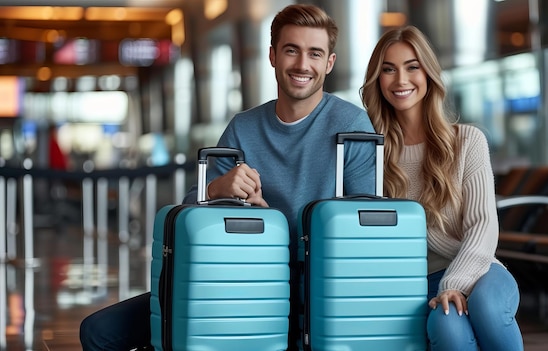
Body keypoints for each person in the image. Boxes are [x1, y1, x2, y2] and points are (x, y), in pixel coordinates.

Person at [79, 4, 376, 351]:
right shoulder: (243, 127)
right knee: (98, 331)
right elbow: (190, 212)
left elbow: (362, 235)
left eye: (315, 53)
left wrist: (270, 229)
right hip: (234, 277)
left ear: (329, 63)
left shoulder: (352, 128)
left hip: (314, 290)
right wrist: (217, 188)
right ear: (272, 56)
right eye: (291, 50)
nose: (302, 65)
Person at [360, 25, 524, 350]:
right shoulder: (371, 153)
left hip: (479, 268)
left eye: (412, 67)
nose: (401, 80)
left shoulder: (467, 141)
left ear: (429, 74)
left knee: (488, 308)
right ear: (377, 80)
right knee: (449, 330)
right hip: (420, 283)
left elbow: (483, 225)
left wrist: (455, 283)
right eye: (388, 70)